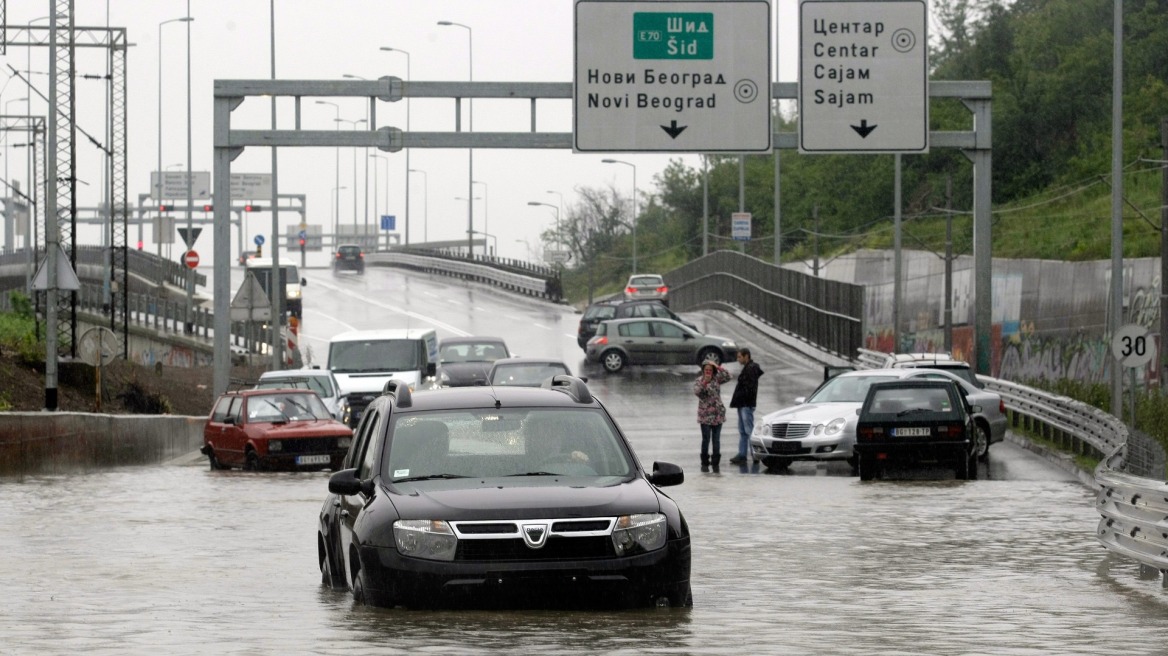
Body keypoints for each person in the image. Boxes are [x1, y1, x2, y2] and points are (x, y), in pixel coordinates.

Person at [693, 358, 732, 473]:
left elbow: (728, 376)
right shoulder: (699, 381)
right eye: (706, 370)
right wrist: (705, 382)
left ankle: (716, 462)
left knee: (716, 439)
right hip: (705, 416)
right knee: (706, 439)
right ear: (703, 371)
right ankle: (704, 461)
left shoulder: (717, 379)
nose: (708, 372)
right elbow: (697, 392)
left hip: (717, 414)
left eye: (710, 370)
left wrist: (717, 366)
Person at [728, 348, 764, 465]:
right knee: (743, 430)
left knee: (748, 431)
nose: (738, 359)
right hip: (743, 403)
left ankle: (754, 454)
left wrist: (744, 400)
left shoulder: (751, 368)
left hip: (746, 404)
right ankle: (743, 454)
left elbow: (749, 387)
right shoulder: (749, 368)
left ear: (746, 356)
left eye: (740, 357)